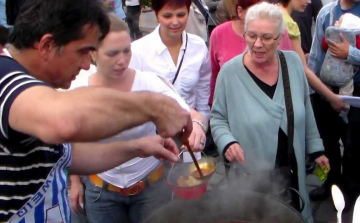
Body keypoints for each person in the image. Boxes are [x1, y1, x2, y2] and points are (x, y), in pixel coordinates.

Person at [0, 0, 193, 222]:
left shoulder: (31, 85)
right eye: (83, 52)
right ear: (46, 45)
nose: (85, 64)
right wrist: (155, 107)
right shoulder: (4, 75)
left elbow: (66, 156)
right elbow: (63, 122)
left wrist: (138, 147)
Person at [210, 3, 329, 222]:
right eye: (251, 35)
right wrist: (227, 142)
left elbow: (305, 107)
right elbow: (217, 118)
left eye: (266, 37)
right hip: (250, 173)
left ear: (279, 37)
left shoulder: (292, 63)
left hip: (291, 167)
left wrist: (316, 149)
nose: (257, 44)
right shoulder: (230, 73)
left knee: (293, 213)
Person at [68, 14, 191, 223]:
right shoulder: (77, 89)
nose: (122, 60)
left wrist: (194, 125)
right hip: (101, 192)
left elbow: (183, 112)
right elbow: (70, 139)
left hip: (150, 189)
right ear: (93, 54)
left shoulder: (149, 83)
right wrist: (75, 182)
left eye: (127, 51)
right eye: (112, 54)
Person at [130, 0, 211, 154]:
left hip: (191, 130)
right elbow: (133, 98)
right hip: (154, 135)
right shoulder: (138, 51)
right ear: (156, 15)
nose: (175, 22)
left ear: (189, 12)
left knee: (193, 175)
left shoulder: (198, 46)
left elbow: (203, 88)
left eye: (181, 14)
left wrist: (201, 123)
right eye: (167, 16)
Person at [308, 0, 360, 213]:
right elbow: (315, 58)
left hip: (356, 95)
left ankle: (351, 191)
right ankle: (331, 184)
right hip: (326, 92)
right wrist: (314, 93)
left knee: (353, 147)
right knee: (328, 144)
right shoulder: (326, 13)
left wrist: (350, 53)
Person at [208, 0, 293, 106]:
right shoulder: (219, 33)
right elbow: (214, 75)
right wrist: (212, 107)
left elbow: (289, 71)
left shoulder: (278, 33)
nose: (258, 44)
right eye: (255, 11)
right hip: (233, 107)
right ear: (240, 11)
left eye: (267, 38)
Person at [277, 0, 346, 112]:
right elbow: (303, 69)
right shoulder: (288, 24)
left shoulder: (271, 14)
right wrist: (332, 97)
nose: (309, 1)